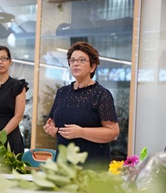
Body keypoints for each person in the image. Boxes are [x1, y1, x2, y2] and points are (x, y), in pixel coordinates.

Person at [43, 42, 119, 170]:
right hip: (64, 164)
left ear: (92, 67)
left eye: (82, 60)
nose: (76, 63)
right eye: (72, 61)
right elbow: (57, 127)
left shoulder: (101, 94)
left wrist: (81, 132)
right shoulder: (62, 92)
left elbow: (113, 132)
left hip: (92, 166)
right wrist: (53, 131)